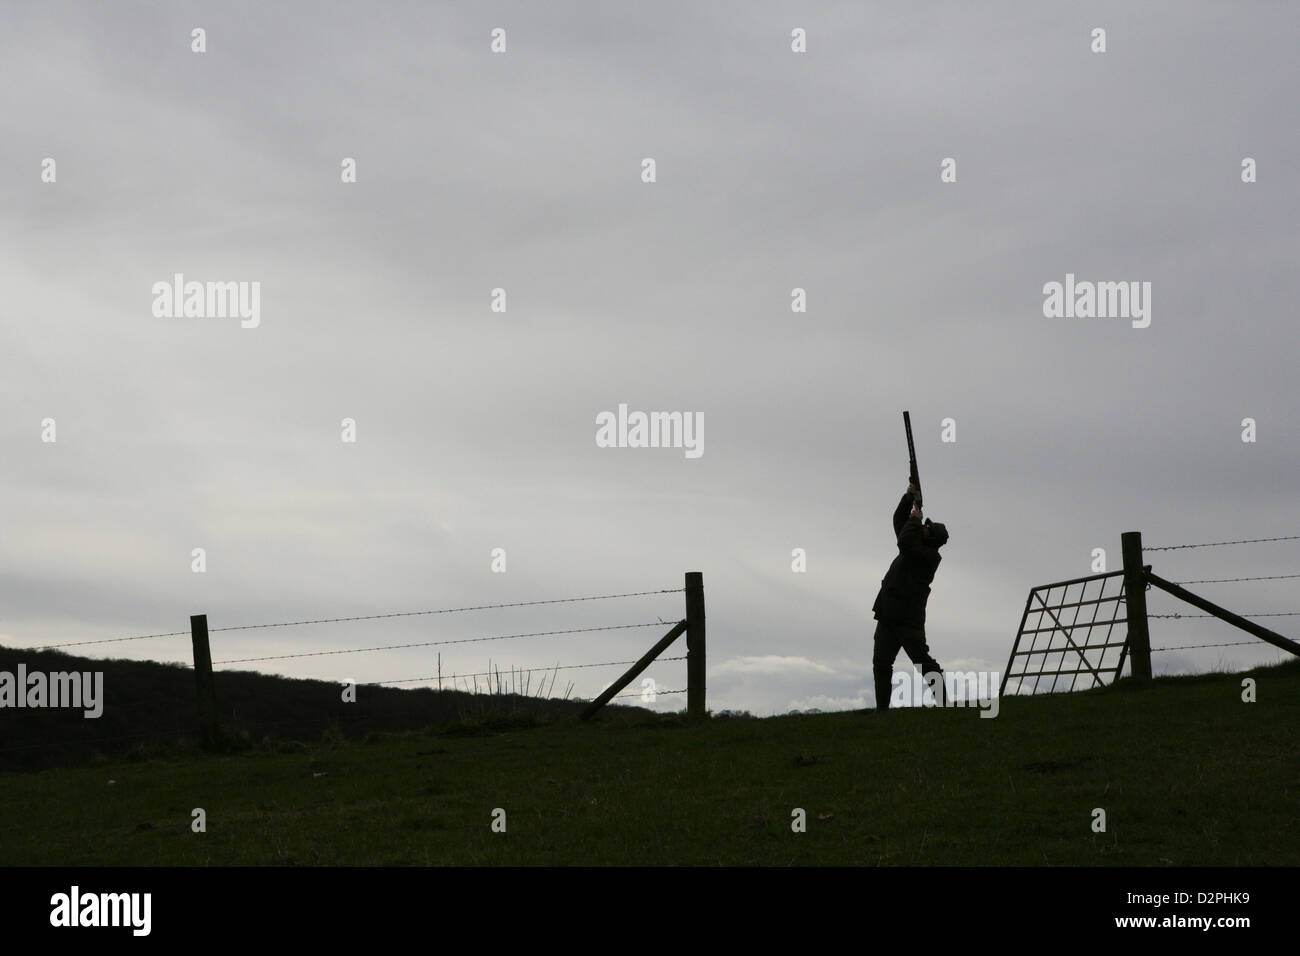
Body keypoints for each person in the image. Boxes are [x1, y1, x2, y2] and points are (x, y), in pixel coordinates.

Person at [871, 481, 949, 710]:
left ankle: (944, 703)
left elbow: (903, 540)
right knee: (881, 663)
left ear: (931, 538)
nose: (924, 526)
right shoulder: (916, 542)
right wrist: (909, 496)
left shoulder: (927, 556)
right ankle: (882, 711)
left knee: (923, 662)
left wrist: (914, 519)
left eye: (927, 527)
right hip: (889, 613)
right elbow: (898, 522)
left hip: (907, 619)